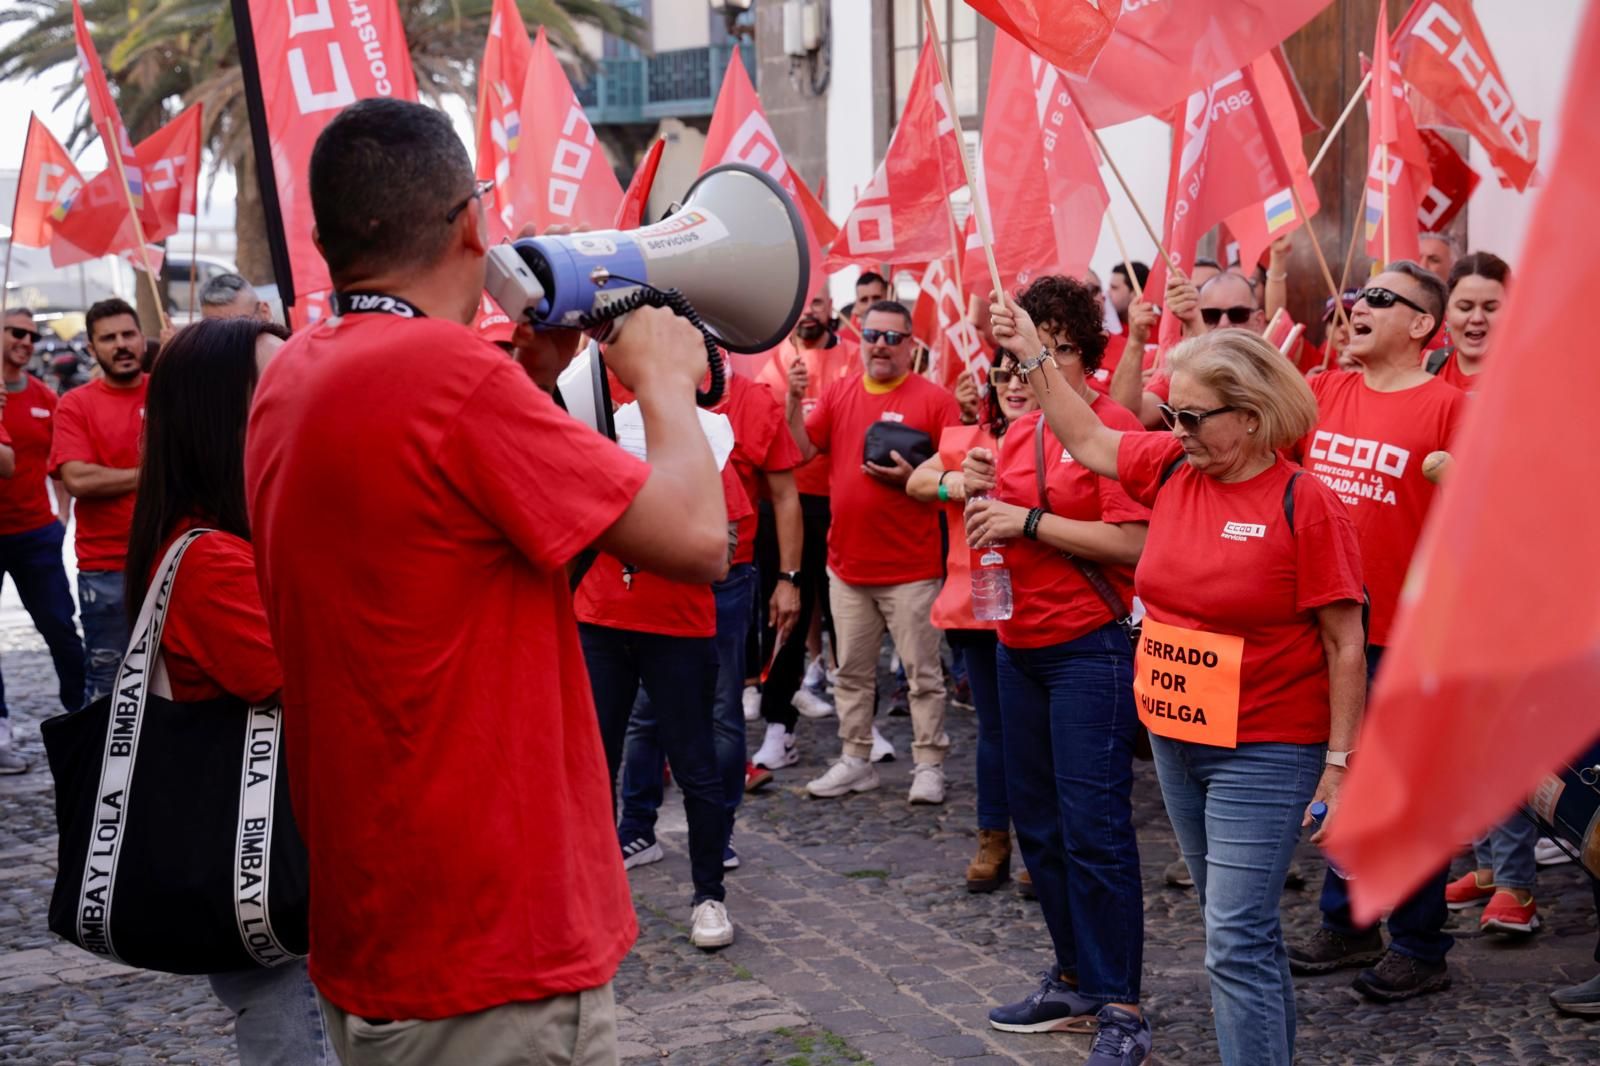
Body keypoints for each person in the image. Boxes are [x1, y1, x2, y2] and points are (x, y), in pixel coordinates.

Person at [244, 98, 728, 1065]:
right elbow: (698, 539)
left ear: (326, 237)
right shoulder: (453, 381)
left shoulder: (292, 375)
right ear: (471, 222)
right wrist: (667, 380)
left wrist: (531, 383)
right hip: (493, 949)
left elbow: (451, 545)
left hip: (382, 921)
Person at [990, 296, 1366, 1066]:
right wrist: (1032, 354)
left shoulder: (1306, 502)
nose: (1178, 429)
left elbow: (1345, 641)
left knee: (1232, 939)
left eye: (1195, 417)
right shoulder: (1168, 464)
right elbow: (1090, 435)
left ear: (1254, 416)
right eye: (1173, 413)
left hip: (1265, 746)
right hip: (1176, 737)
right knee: (1236, 931)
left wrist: (1340, 762)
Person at [121, 315, 329, 1065]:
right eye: (278, 387)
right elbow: (308, 682)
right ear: (221, 415)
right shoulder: (209, 561)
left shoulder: (229, 539)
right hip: (272, 864)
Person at [962, 277, 1151, 1054]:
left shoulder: (1111, 426)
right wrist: (977, 497)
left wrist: (1027, 520)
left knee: (1095, 829)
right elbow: (1003, 528)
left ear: (1085, 355)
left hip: (1089, 648)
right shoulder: (1015, 430)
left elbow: (1135, 546)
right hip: (1018, 647)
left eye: (1057, 349)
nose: (1036, 366)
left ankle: (1122, 1007)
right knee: (1037, 828)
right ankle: (1075, 978)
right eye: (1023, 352)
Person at [1287, 262, 1467, 1003]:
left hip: (1408, 632)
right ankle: (1350, 919)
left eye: (1382, 299)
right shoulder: (1324, 392)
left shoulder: (1454, 407)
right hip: (1329, 627)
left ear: (1423, 324)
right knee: (1343, 777)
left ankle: (1421, 944)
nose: (1359, 305)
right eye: (1359, 295)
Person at [787, 300, 960, 804]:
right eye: (872, 335)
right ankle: (855, 758)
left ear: (911, 346)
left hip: (912, 568)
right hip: (847, 567)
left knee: (922, 676)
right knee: (852, 675)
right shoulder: (839, 393)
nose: (880, 345)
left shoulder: (935, 400)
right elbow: (801, 451)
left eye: (892, 337)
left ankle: (929, 764)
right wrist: (794, 403)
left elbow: (953, 478)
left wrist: (915, 480)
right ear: (860, 340)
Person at [577, 455, 747, 948]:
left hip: (677, 628)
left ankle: (709, 897)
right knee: (591, 765)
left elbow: (722, 555)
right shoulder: (601, 432)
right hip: (599, 622)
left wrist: (640, 534)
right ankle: (593, 900)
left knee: (696, 766)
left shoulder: (705, 443)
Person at [905, 348, 1039, 892]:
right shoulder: (966, 438)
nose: (1012, 384)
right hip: (978, 606)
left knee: (1036, 734)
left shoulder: (1063, 439)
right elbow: (918, 482)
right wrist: (954, 484)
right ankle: (993, 838)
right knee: (996, 730)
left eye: (1022, 374)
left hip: (1040, 606)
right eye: (1002, 375)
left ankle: (1039, 843)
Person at [754, 291, 858, 736]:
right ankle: (780, 714)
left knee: (843, 609)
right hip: (779, 500)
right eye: (802, 303)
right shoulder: (764, 357)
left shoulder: (852, 356)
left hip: (836, 500)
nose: (809, 312)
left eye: (817, 302)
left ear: (831, 306)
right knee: (784, 610)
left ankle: (858, 714)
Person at [49, 297, 146, 705]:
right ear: (92, 348)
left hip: (175, 562)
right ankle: (105, 772)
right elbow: (78, 478)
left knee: (180, 685)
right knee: (111, 693)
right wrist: (151, 474)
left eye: (128, 334)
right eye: (108, 338)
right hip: (106, 570)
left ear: (143, 338)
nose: (121, 344)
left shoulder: (173, 393)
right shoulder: (76, 405)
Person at [0, 309, 82, 774]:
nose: (26, 341)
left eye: (31, 335)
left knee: (60, 628)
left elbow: (61, 460)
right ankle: (1, 733)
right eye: (16, 332)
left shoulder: (45, 397)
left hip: (35, 533)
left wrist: (61, 516)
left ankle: (83, 714)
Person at [1112, 271, 1265, 430]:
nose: (1223, 324)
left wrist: (1195, 321)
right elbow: (1129, 415)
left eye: (1238, 314)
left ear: (1258, 321)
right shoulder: (1184, 369)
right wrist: (1136, 341)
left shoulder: (1273, 367)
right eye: (1211, 315)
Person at [1429, 252, 1509, 392]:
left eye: (1490, 308)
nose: (1477, 318)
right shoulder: (1427, 366)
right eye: (1465, 308)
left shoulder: (1528, 376)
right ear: (1447, 312)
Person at [198, 272, 275, 322]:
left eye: (240, 325)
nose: (225, 338)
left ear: (264, 311)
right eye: (212, 329)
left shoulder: (281, 345)